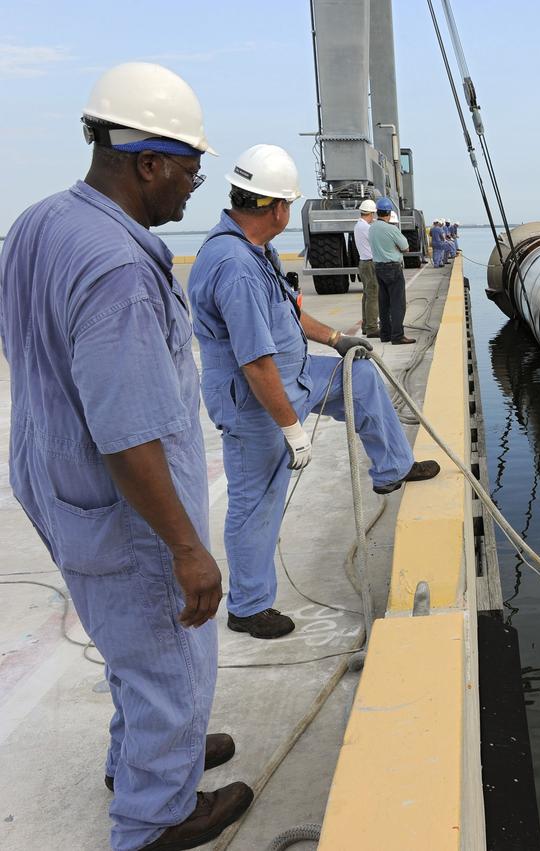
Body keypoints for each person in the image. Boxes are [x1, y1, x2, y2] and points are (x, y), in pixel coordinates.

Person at [0, 61, 251, 851]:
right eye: (188, 169)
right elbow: (128, 432)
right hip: (125, 504)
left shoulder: (39, 222)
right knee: (170, 647)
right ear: (146, 161)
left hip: (53, 478)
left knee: (125, 637)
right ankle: (155, 815)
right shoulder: (119, 267)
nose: (193, 187)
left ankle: (147, 754)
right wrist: (186, 545)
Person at [188, 144, 440, 641]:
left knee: (359, 376)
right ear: (278, 207)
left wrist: (336, 339)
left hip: (298, 377)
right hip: (259, 402)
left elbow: (288, 313)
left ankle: (392, 468)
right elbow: (255, 363)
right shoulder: (234, 265)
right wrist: (292, 430)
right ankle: (248, 605)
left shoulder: (253, 250)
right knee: (257, 500)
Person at [370, 199, 415, 342]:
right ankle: (397, 336)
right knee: (397, 303)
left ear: (377, 212)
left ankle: (385, 334)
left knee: (384, 303)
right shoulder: (391, 229)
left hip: (378, 267)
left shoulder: (372, 228)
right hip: (393, 268)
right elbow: (405, 247)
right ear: (389, 213)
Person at [353, 199, 379, 339]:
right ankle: (372, 327)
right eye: (373, 215)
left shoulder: (358, 226)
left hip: (363, 263)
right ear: (370, 213)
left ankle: (366, 325)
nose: (374, 217)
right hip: (370, 263)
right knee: (373, 296)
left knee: (367, 295)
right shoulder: (367, 228)